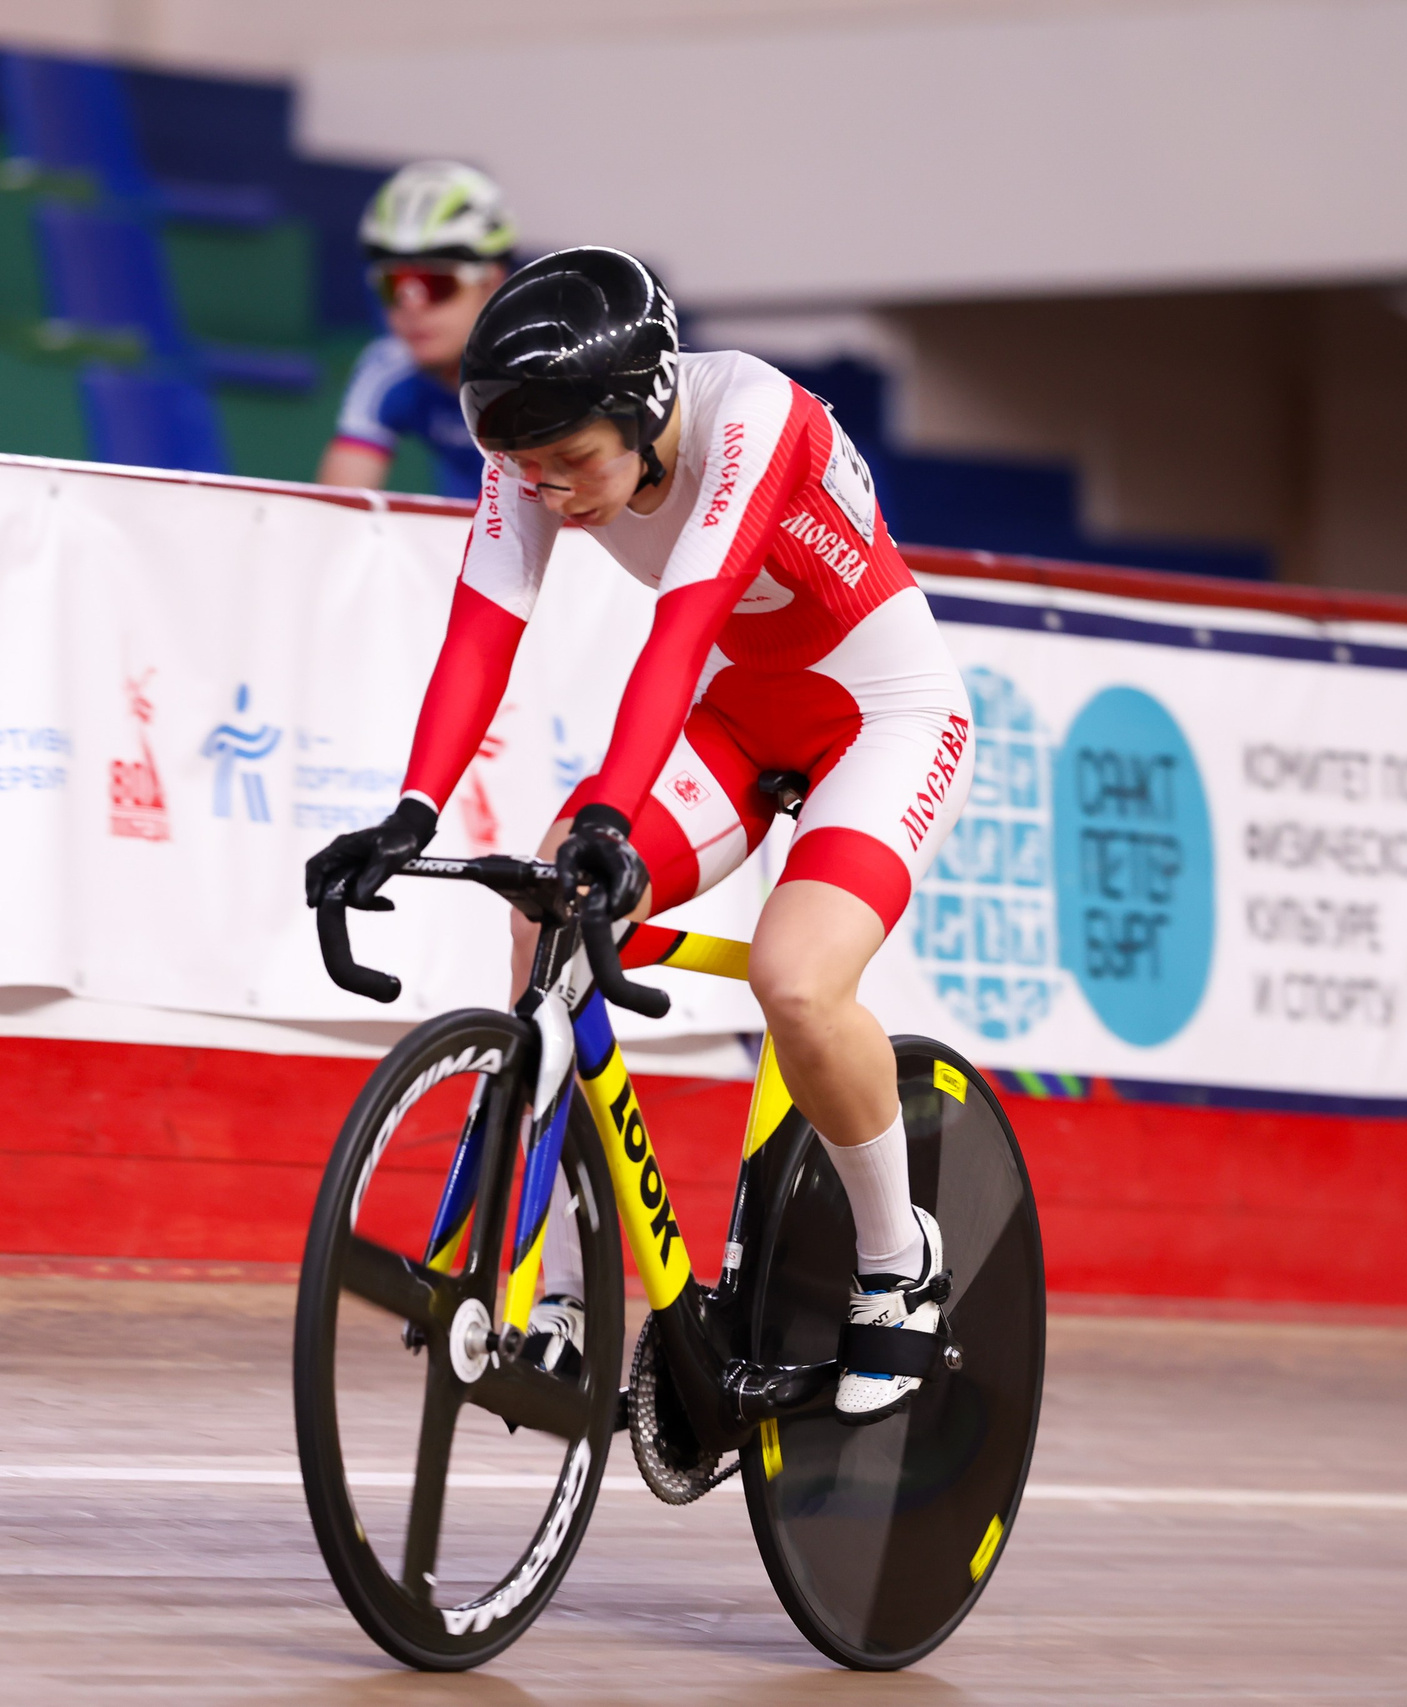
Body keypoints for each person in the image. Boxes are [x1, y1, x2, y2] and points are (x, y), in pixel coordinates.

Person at [306, 248, 975, 1423]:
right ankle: (569, 1292)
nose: (553, 494)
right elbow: (480, 630)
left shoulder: (752, 418)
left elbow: (683, 626)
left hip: (883, 716)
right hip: (737, 716)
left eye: (573, 465)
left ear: (649, 407)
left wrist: (613, 814)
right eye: (529, 472)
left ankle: (896, 1257)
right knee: (546, 911)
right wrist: (410, 812)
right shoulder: (538, 448)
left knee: (798, 983)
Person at [314, 161, 515, 500]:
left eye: (436, 284)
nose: (412, 308)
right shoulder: (390, 368)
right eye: (395, 286)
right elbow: (333, 515)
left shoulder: (542, 374)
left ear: (490, 283)